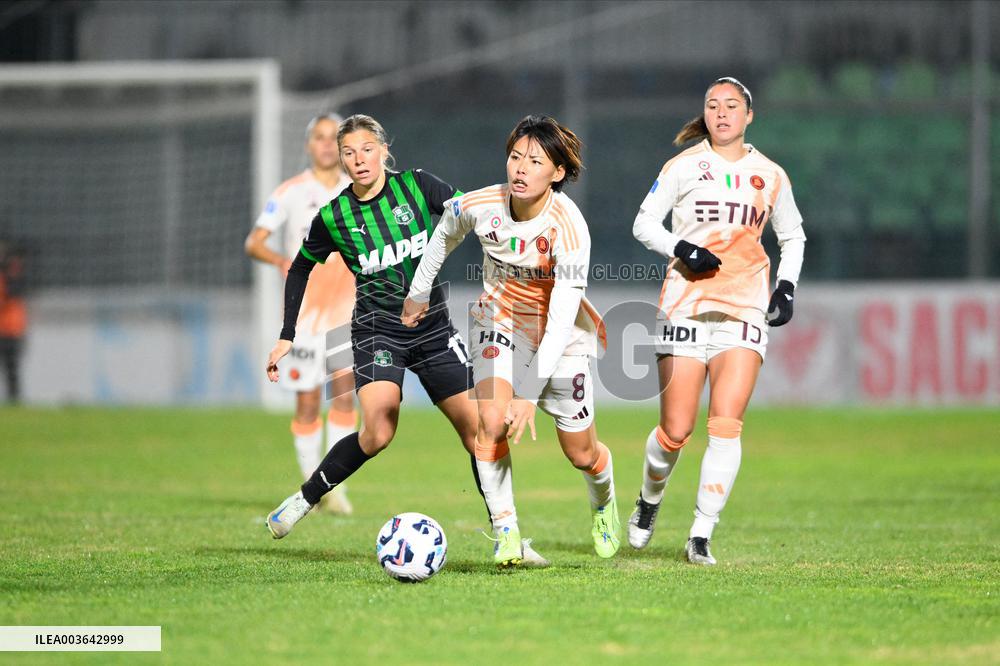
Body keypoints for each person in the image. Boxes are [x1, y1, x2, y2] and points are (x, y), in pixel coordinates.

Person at [263, 114, 548, 566]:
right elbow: (300, 266)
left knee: (481, 429)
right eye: (349, 153)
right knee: (378, 430)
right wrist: (286, 335)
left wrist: (515, 255)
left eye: (367, 150)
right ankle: (305, 499)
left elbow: (471, 214)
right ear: (341, 159)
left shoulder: (417, 186)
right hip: (378, 330)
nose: (359, 160)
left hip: (434, 329)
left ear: (384, 150)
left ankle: (507, 533)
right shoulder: (334, 216)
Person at [401, 115, 618, 563]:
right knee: (490, 422)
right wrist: (418, 293)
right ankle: (507, 532)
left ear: (557, 173)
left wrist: (529, 392)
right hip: (498, 322)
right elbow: (444, 232)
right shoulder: (481, 205)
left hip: (560, 338)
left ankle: (603, 502)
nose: (520, 168)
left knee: (581, 453)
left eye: (534, 161)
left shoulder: (569, 227)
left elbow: (560, 320)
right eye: (515, 157)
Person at [628, 77, 806, 565]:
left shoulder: (770, 175)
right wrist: (681, 247)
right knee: (676, 431)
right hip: (685, 303)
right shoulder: (683, 166)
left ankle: (701, 535)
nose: (722, 112)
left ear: (749, 116)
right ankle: (649, 500)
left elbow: (793, 236)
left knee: (726, 425)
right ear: (704, 115)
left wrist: (786, 286)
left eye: (732, 106)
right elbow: (644, 222)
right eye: (712, 105)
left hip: (744, 306)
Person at [246, 113, 356, 515]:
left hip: (348, 314)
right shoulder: (291, 192)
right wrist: (280, 261)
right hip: (305, 318)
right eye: (320, 138)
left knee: (344, 396)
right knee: (308, 402)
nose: (327, 145)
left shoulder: (357, 189)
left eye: (334, 139)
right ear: (309, 145)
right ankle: (315, 484)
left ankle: (335, 488)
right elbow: (255, 242)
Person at [0, 241, 27, 404]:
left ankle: (14, 400)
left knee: (12, 369)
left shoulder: (12, 273)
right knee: (12, 369)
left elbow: (13, 293)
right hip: (9, 329)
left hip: (11, 330)